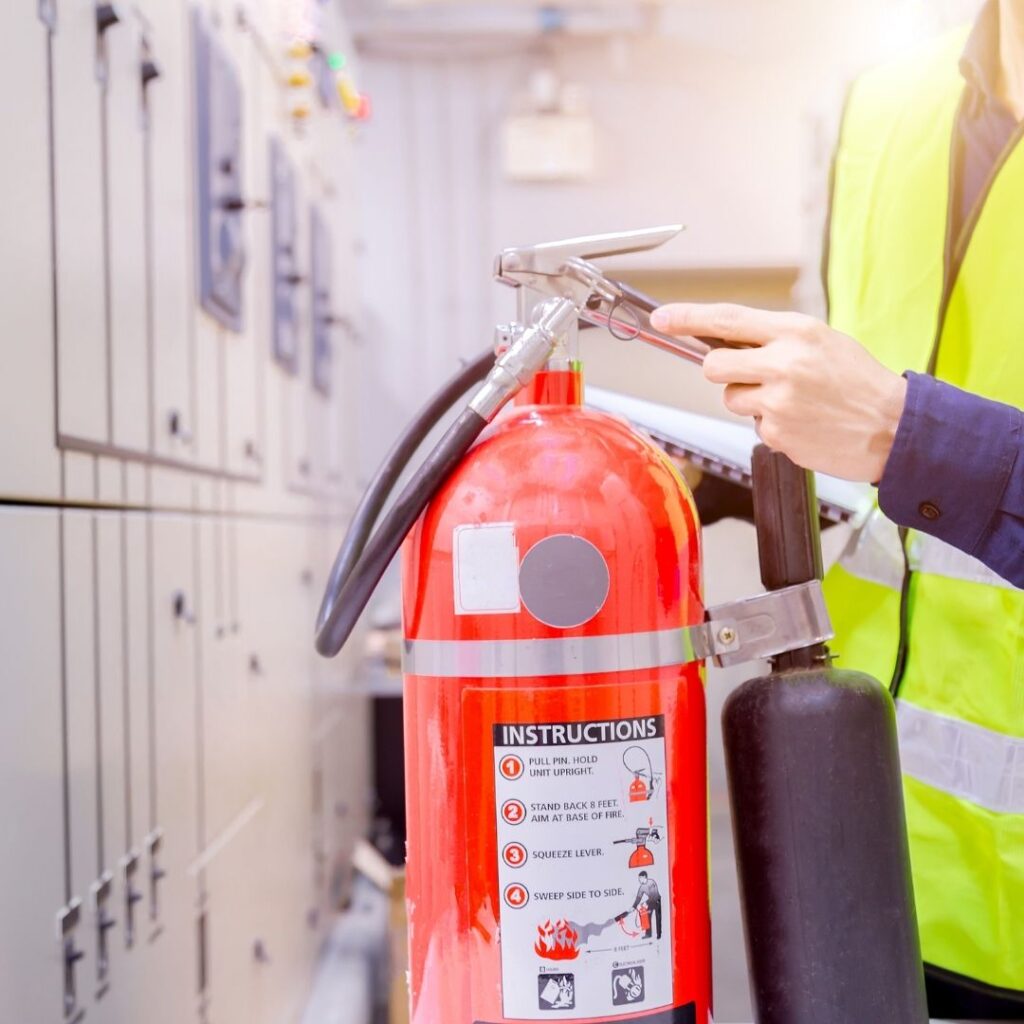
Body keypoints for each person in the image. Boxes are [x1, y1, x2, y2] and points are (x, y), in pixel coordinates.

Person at [652, 1, 1024, 1017]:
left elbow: (902, 432)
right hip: (880, 872)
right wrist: (721, 468)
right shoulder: (877, 107)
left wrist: (905, 433)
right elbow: (886, 487)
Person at [632, 871, 662, 940]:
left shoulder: (651, 882)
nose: (639, 880)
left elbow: (653, 895)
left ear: (644, 877)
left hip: (657, 900)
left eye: (640, 878)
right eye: (639, 878)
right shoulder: (642, 887)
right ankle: (648, 934)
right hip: (650, 902)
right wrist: (634, 906)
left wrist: (646, 903)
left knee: (658, 917)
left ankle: (659, 934)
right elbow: (638, 897)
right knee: (646, 915)